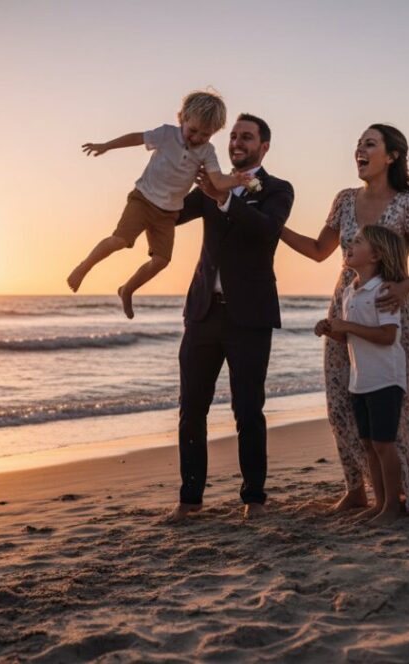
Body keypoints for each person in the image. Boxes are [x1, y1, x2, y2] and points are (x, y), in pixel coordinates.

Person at [281, 123, 409, 514]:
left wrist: (403, 288)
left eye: (369, 144)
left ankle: (402, 493)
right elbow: (317, 250)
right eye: (358, 144)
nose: (359, 150)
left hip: (388, 307)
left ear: (391, 156)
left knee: (400, 403)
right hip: (343, 307)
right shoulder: (345, 199)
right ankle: (356, 488)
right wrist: (273, 227)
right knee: (342, 400)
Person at [166, 113, 294, 522]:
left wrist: (224, 198)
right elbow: (170, 212)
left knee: (248, 410)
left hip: (250, 317)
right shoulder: (209, 184)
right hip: (202, 312)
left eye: (247, 137)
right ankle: (189, 500)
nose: (237, 142)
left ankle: (254, 498)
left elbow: (265, 231)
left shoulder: (278, 190)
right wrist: (167, 174)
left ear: (264, 146)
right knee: (191, 409)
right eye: (234, 136)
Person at [67, 90, 251, 319]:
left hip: (169, 213)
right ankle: (84, 267)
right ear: (182, 118)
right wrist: (106, 145)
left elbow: (217, 180)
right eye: (192, 131)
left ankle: (127, 289)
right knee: (120, 240)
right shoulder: (166, 134)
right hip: (143, 199)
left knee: (161, 260)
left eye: (205, 135)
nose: (196, 138)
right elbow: (136, 138)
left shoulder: (207, 152)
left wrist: (237, 180)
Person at [317, 226, 408, 525]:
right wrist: (332, 330)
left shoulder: (383, 290)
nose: (348, 245)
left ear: (376, 255)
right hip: (360, 380)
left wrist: (348, 327)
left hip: (385, 378)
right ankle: (380, 503)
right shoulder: (349, 291)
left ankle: (393, 505)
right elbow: (350, 338)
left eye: (357, 241)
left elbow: (387, 336)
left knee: (384, 444)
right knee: (368, 444)